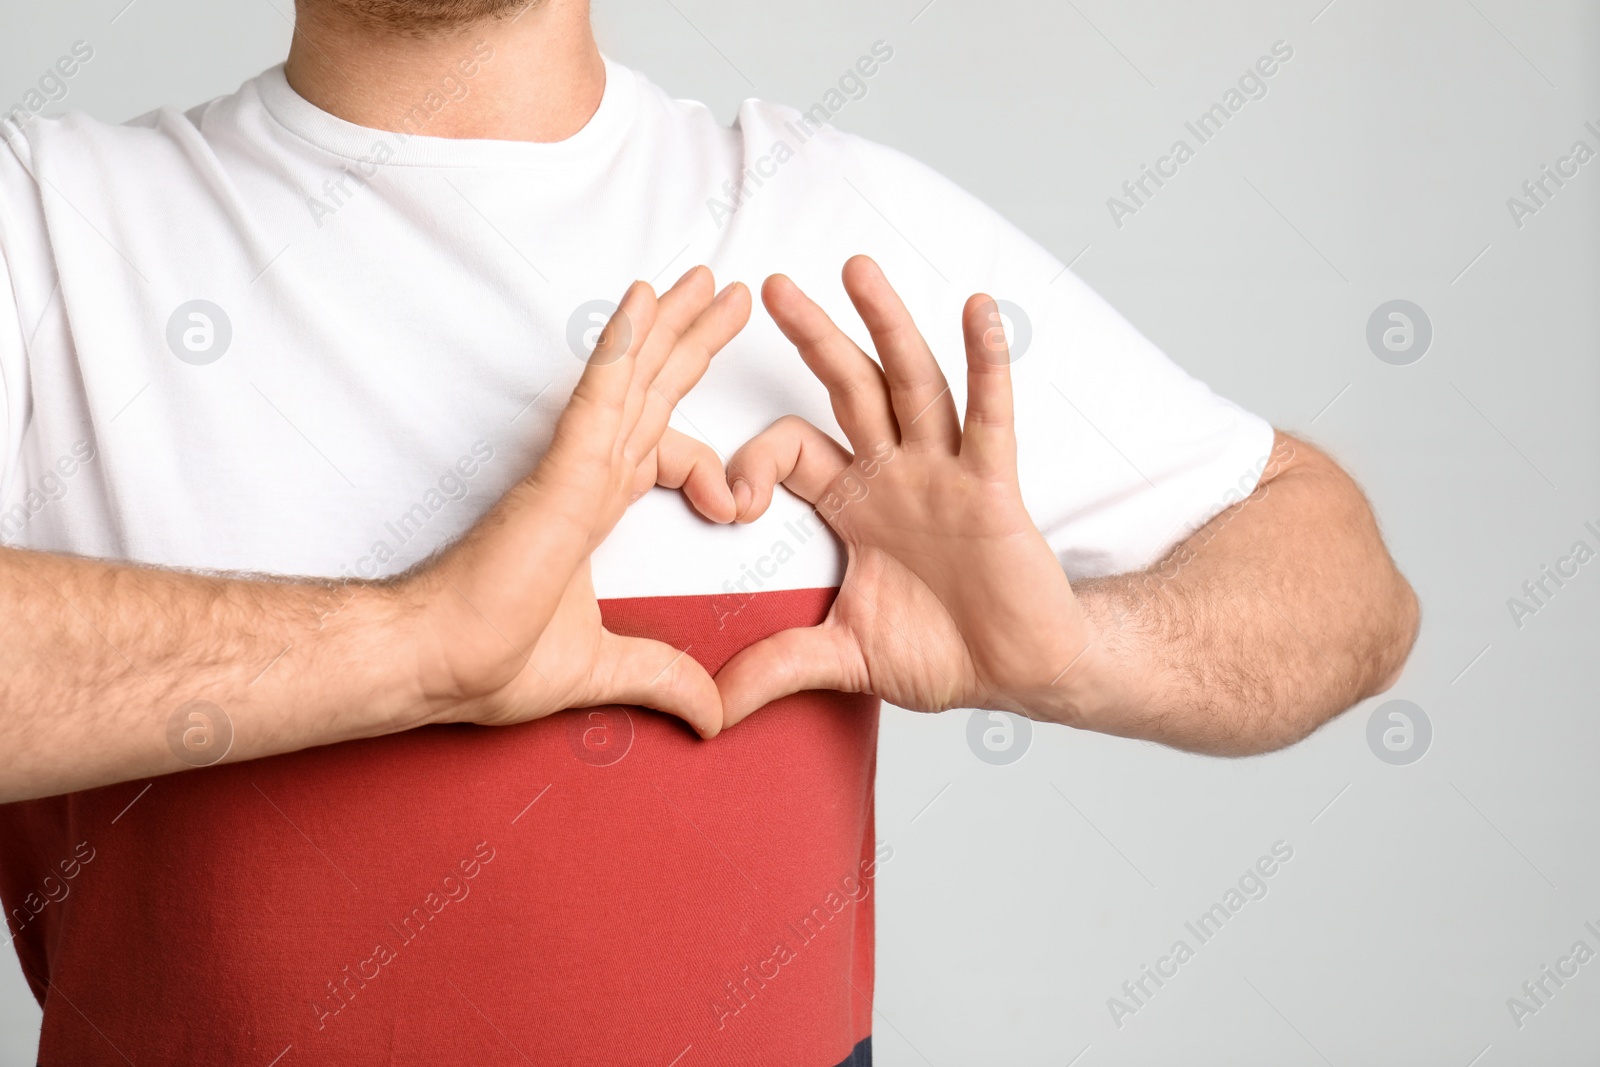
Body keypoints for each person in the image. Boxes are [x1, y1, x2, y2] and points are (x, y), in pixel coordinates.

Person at [0, 0, 1418, 1063]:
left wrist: (1076, 655)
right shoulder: (50, 223)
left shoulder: (831, 235)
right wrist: (419, 645)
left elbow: (1348, 585)